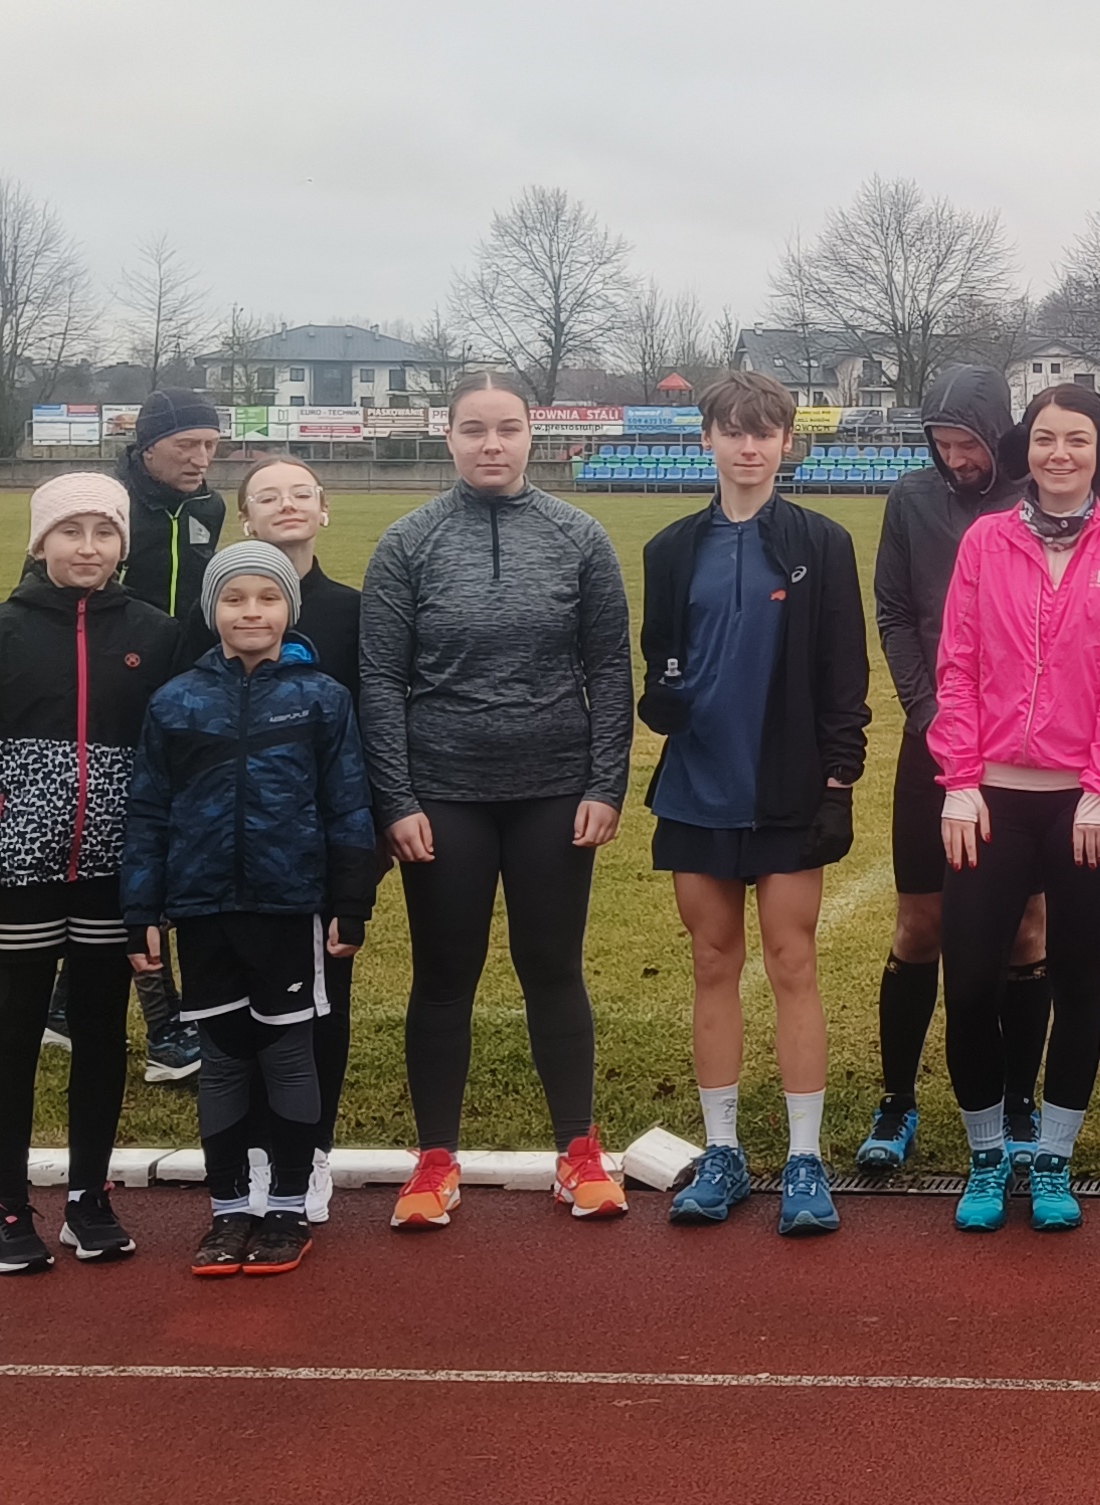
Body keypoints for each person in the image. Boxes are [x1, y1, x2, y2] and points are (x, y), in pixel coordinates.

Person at [360, 372, 636, 1228]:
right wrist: (396, 797)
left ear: (530, 435)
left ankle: (577, 1152)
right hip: (443, 795)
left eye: (507, 428)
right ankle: (435, 1160)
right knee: (445, 975)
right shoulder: (407, 542)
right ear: (447, 436)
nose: (491, 444)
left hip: (554, 791)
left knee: (551, 967)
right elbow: (380, 680)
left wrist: (605, 781)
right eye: (474, 429)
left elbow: (609, 669)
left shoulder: (579, 536)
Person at [0, 473, 185, 1274]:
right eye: (70, 531)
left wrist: (157, 879)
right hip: (17, 873)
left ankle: (87, 1196)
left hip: (115, 874)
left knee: (103, 1033)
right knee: (14, 1031)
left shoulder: (156, 633)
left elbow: (175, 762)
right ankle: (4, 1206)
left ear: (123, 545)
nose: (88, 547)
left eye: (104, 532)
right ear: (40, 542)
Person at [932, 384, 1100, 1233]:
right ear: (1025, 450)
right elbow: (957, 661)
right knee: (969, 984)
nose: (1058, 454)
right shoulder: (985, 539)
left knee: (1077, 981)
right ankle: (988, 1153)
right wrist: (960, 777)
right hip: (987, 800)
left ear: (1099, 454)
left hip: (1085, 804)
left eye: (1075, 440)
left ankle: (1056, 1155)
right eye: (1043, 439)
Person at [646, 371, 871, 1236]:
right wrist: (662, 696)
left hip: (787, 789)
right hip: (698, 787)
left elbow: (843, 674)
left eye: (764, 432)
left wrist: (838, 781)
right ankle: (724, 1151)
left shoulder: (821, 542)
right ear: (706, 437)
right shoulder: (670, 548)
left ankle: (805, 1159)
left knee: (791, 961)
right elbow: (659, 660)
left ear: (785, 443)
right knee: (712, 962)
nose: (749, 446)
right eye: (733, 430)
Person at [122, 542, 377, 1277]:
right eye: (234, 599)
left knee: (289, 1053)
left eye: (267, 597)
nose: (251, 612)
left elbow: (347, 806)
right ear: (213, 611)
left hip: (289, 907)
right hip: (203, 909)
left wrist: (350, 900)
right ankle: (229, 1208)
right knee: (225, 1059)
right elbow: (148, 811)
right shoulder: (175, 701)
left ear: (288, 608)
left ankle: (288, 1205)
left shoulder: (322, 698)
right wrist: (142, 907)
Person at [865, 365, 1051, 1173]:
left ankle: (1018, 1102)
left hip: (1021, 748)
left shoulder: (1035, 500)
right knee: (920, 924)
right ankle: (897, 1100)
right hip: (937, 740)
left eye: (966, 443)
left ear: (997, 435)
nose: (954, 458)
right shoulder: (910, 500)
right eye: (941, 444)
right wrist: (926, 710)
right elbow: (894, 612)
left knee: (1026, 927)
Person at [238, 458, 365, 1222]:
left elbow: (375, 728)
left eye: (300, 493)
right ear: (244, 518)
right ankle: (253, 1156)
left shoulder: (354, 611)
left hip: (323, 851)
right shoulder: (216, 610)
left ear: (324, 510)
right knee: (243, 1009)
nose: (285, 504)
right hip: (232, 854)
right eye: (266, 495)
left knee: (322, 1004)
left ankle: (310, 1154)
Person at [94, 387, 227, 1084]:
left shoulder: (209, 508)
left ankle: (68, 1005)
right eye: (187, 446)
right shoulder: (107, 504)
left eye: (210, 446)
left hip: (185, 702)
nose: (201, 459)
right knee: (140, 856)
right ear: (148, 447)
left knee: (163, 853)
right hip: (111, 702)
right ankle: (166, 1031)